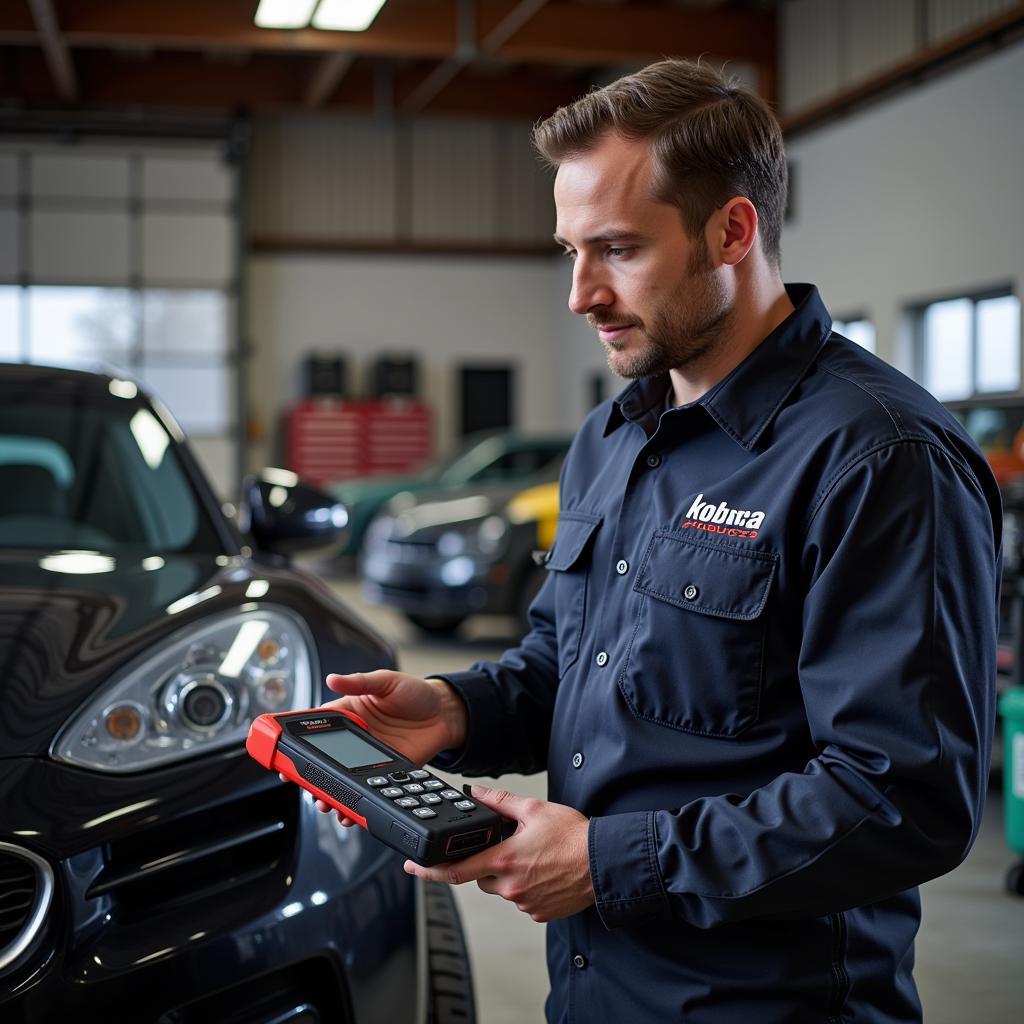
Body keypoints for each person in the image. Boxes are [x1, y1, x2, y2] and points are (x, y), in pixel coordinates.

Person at [319, 60, 1002, 1023]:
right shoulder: (612, 437)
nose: (580, 294)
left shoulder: (878, 457)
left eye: (617, 249)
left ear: (733, 229)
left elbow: (903, 798)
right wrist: (455, 709)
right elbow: (572, 658)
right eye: (569, 250)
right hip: (595, 991)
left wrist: (607, 863)